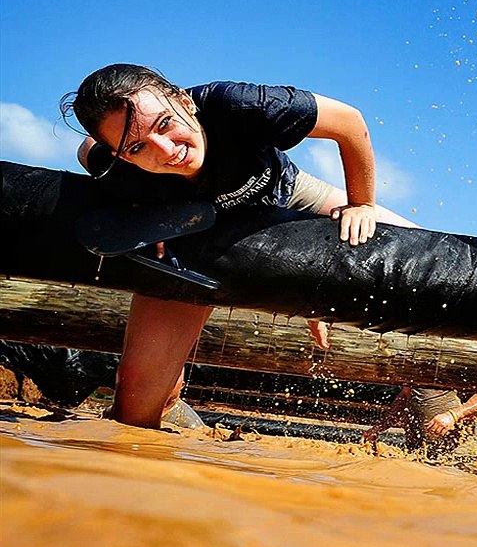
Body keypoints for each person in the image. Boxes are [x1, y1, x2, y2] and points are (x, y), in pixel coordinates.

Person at [61, 66, 418, 427]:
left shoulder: (239, 105)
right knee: (135, 405)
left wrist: (361, 204)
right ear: (122, 156)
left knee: (422, 251)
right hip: (195, 236)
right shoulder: (117, 170)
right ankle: (175, 425)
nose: (167, 151)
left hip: (285, 195)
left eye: (166, 124)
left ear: (185, 101)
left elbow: (348, 121)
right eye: (138, 147)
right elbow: (87, 148)